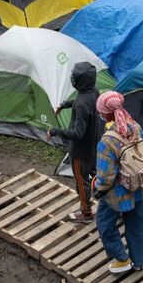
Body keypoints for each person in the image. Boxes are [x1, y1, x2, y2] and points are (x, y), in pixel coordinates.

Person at [92, 92, 143, 274]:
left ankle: (121, 259)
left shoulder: (107, 141)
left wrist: (98, 188)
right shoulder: (135, 126)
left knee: (104, 223)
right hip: (137, 186)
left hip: (117, 194)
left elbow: (106, 176)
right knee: (136, 223)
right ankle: (139, 261)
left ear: (105, 114)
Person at [46, 62, 102, 224]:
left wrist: (54, 130)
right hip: (94, 147)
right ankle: (113, 203)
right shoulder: (93, 92)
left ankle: (85, 213)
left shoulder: (82, 103)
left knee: (81, 181)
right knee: (97, 176)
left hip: (80, 153)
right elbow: (80, 102)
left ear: (80, 80)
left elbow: (77, 133)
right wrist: (64, 104)